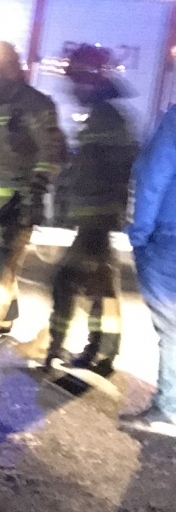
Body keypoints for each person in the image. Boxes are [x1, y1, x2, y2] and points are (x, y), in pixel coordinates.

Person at [38, 45, 138, 374]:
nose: (73, 88)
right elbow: (93, 164)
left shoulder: (107, 117)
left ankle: (61, 347)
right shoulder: (100, 116)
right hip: (94, 218)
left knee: (67, 282)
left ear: (91, 80)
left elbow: (117, 166)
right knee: (100, 288)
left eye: (78, 80)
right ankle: (102, 351)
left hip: (98, 218)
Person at [0, 42, 65, 348]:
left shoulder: (36, 104)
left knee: (0, 263)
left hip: (17, 197)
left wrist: (35, 190)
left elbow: (53, 152)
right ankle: (5, 317)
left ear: (12, 68)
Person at [124, 101, 176, 436]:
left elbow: (153, 176)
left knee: (171, 327)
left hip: (169, 239)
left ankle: (169, 409)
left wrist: (139, 234)